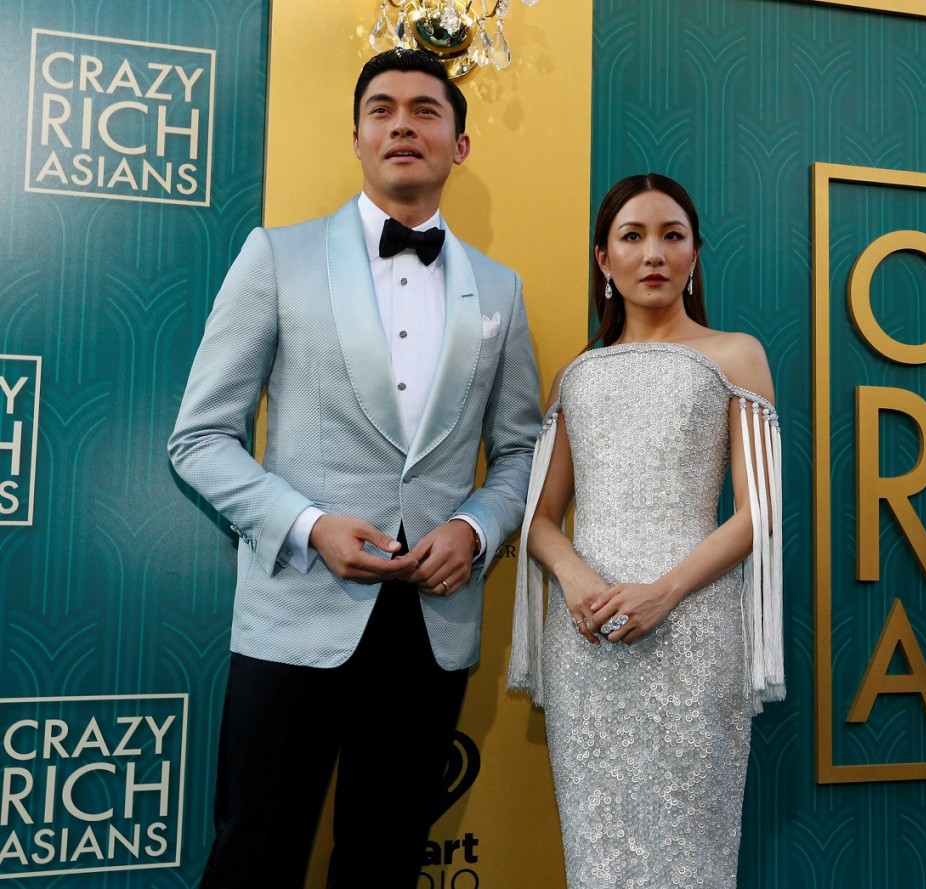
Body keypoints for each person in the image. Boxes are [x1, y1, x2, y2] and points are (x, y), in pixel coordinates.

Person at [168, 48, 541, 887]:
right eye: (382, 109)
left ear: (460, 144)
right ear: (357, 137)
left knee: (384, 863)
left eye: (425, 110)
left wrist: (475, 527)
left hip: (431, 623)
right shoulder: (277, 256)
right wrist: (309, 526)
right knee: (254, 858)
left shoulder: (502, 290)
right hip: (297, 609)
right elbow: (200, 438)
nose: (402, 124)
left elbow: (520, 449)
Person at [508, 173, 784, 887]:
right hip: (587, 634)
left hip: (695, 630)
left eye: (672, 236)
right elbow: (539, 518)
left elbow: (759, 513)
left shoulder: (736, 356)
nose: (653, 253)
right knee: (597, 854)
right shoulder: (576, 376)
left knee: (691, 853)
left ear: (695, 254)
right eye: (632, 236)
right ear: (604, 258)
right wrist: (575, 577)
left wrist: (664, 592)